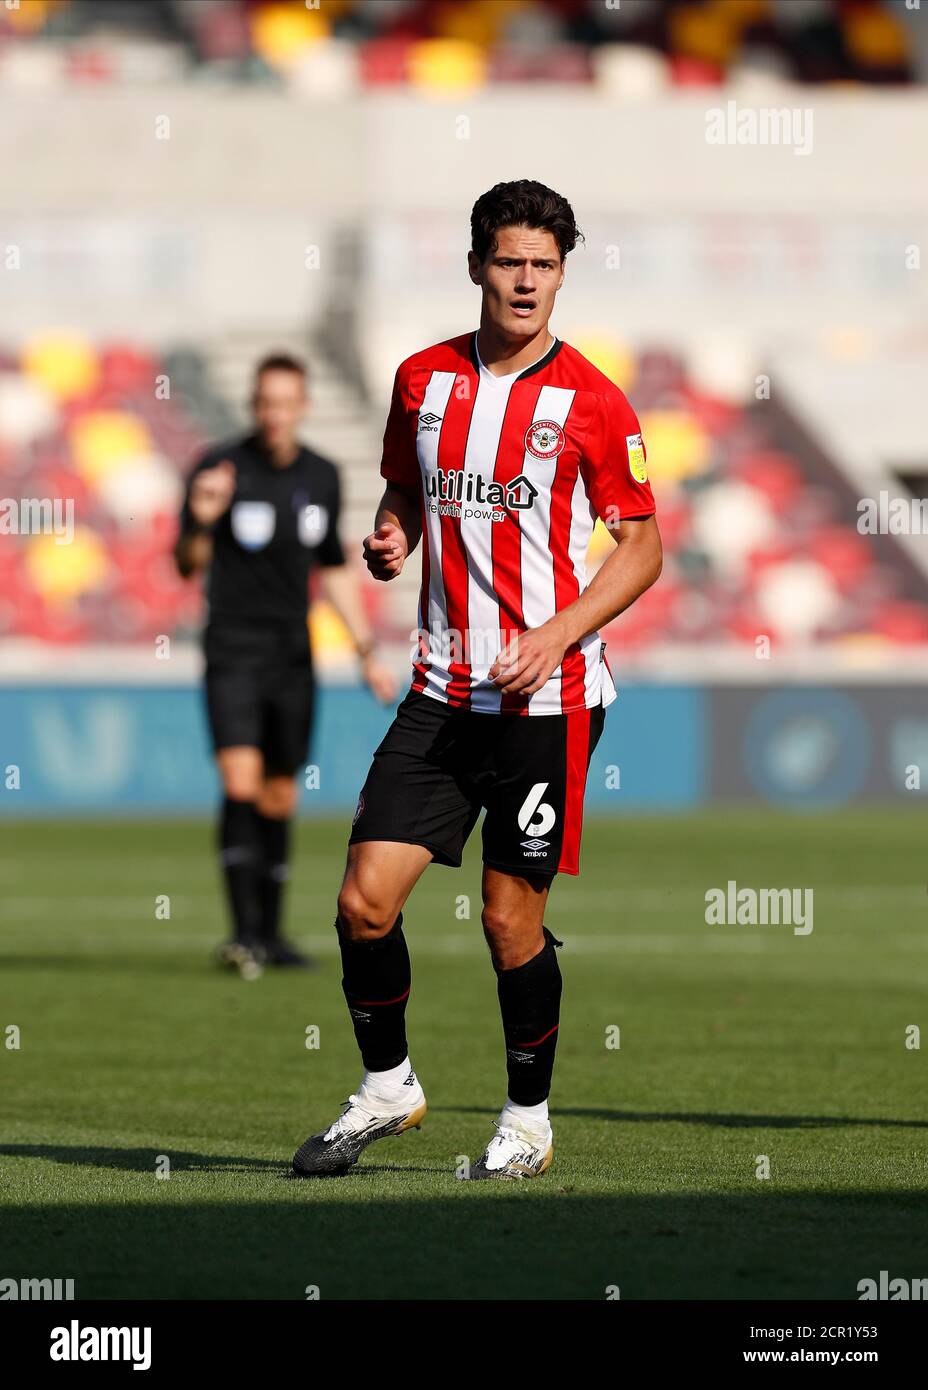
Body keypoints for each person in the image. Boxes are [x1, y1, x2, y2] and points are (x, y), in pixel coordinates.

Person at [292, 180, 662, 1179]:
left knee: (508, 921)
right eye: (510, 262)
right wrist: (391, 536)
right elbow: (405, 492)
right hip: (440, 687)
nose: (527, 280)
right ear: (475, 267)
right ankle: (387, 1088)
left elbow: (639, 550)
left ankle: (527, 1120)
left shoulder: (591, 401)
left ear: (561, 273)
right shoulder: (420, 380)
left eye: (544, 264)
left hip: (544, 701)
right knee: (363, 902)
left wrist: (556, 631)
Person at [175, 353, 394, 978]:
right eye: (264, 402)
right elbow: (186, 563)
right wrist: (203, 520)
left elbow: (331, 569)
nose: (274, 414)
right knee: (240, 782)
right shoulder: (218, 468)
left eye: (285, 402)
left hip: (292, 655)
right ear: (253, 406)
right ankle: (242, 935)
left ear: (302, 407)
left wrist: (365, 651)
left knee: (277, 793)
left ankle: (269, 934)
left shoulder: (322, 475)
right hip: (232, 650)